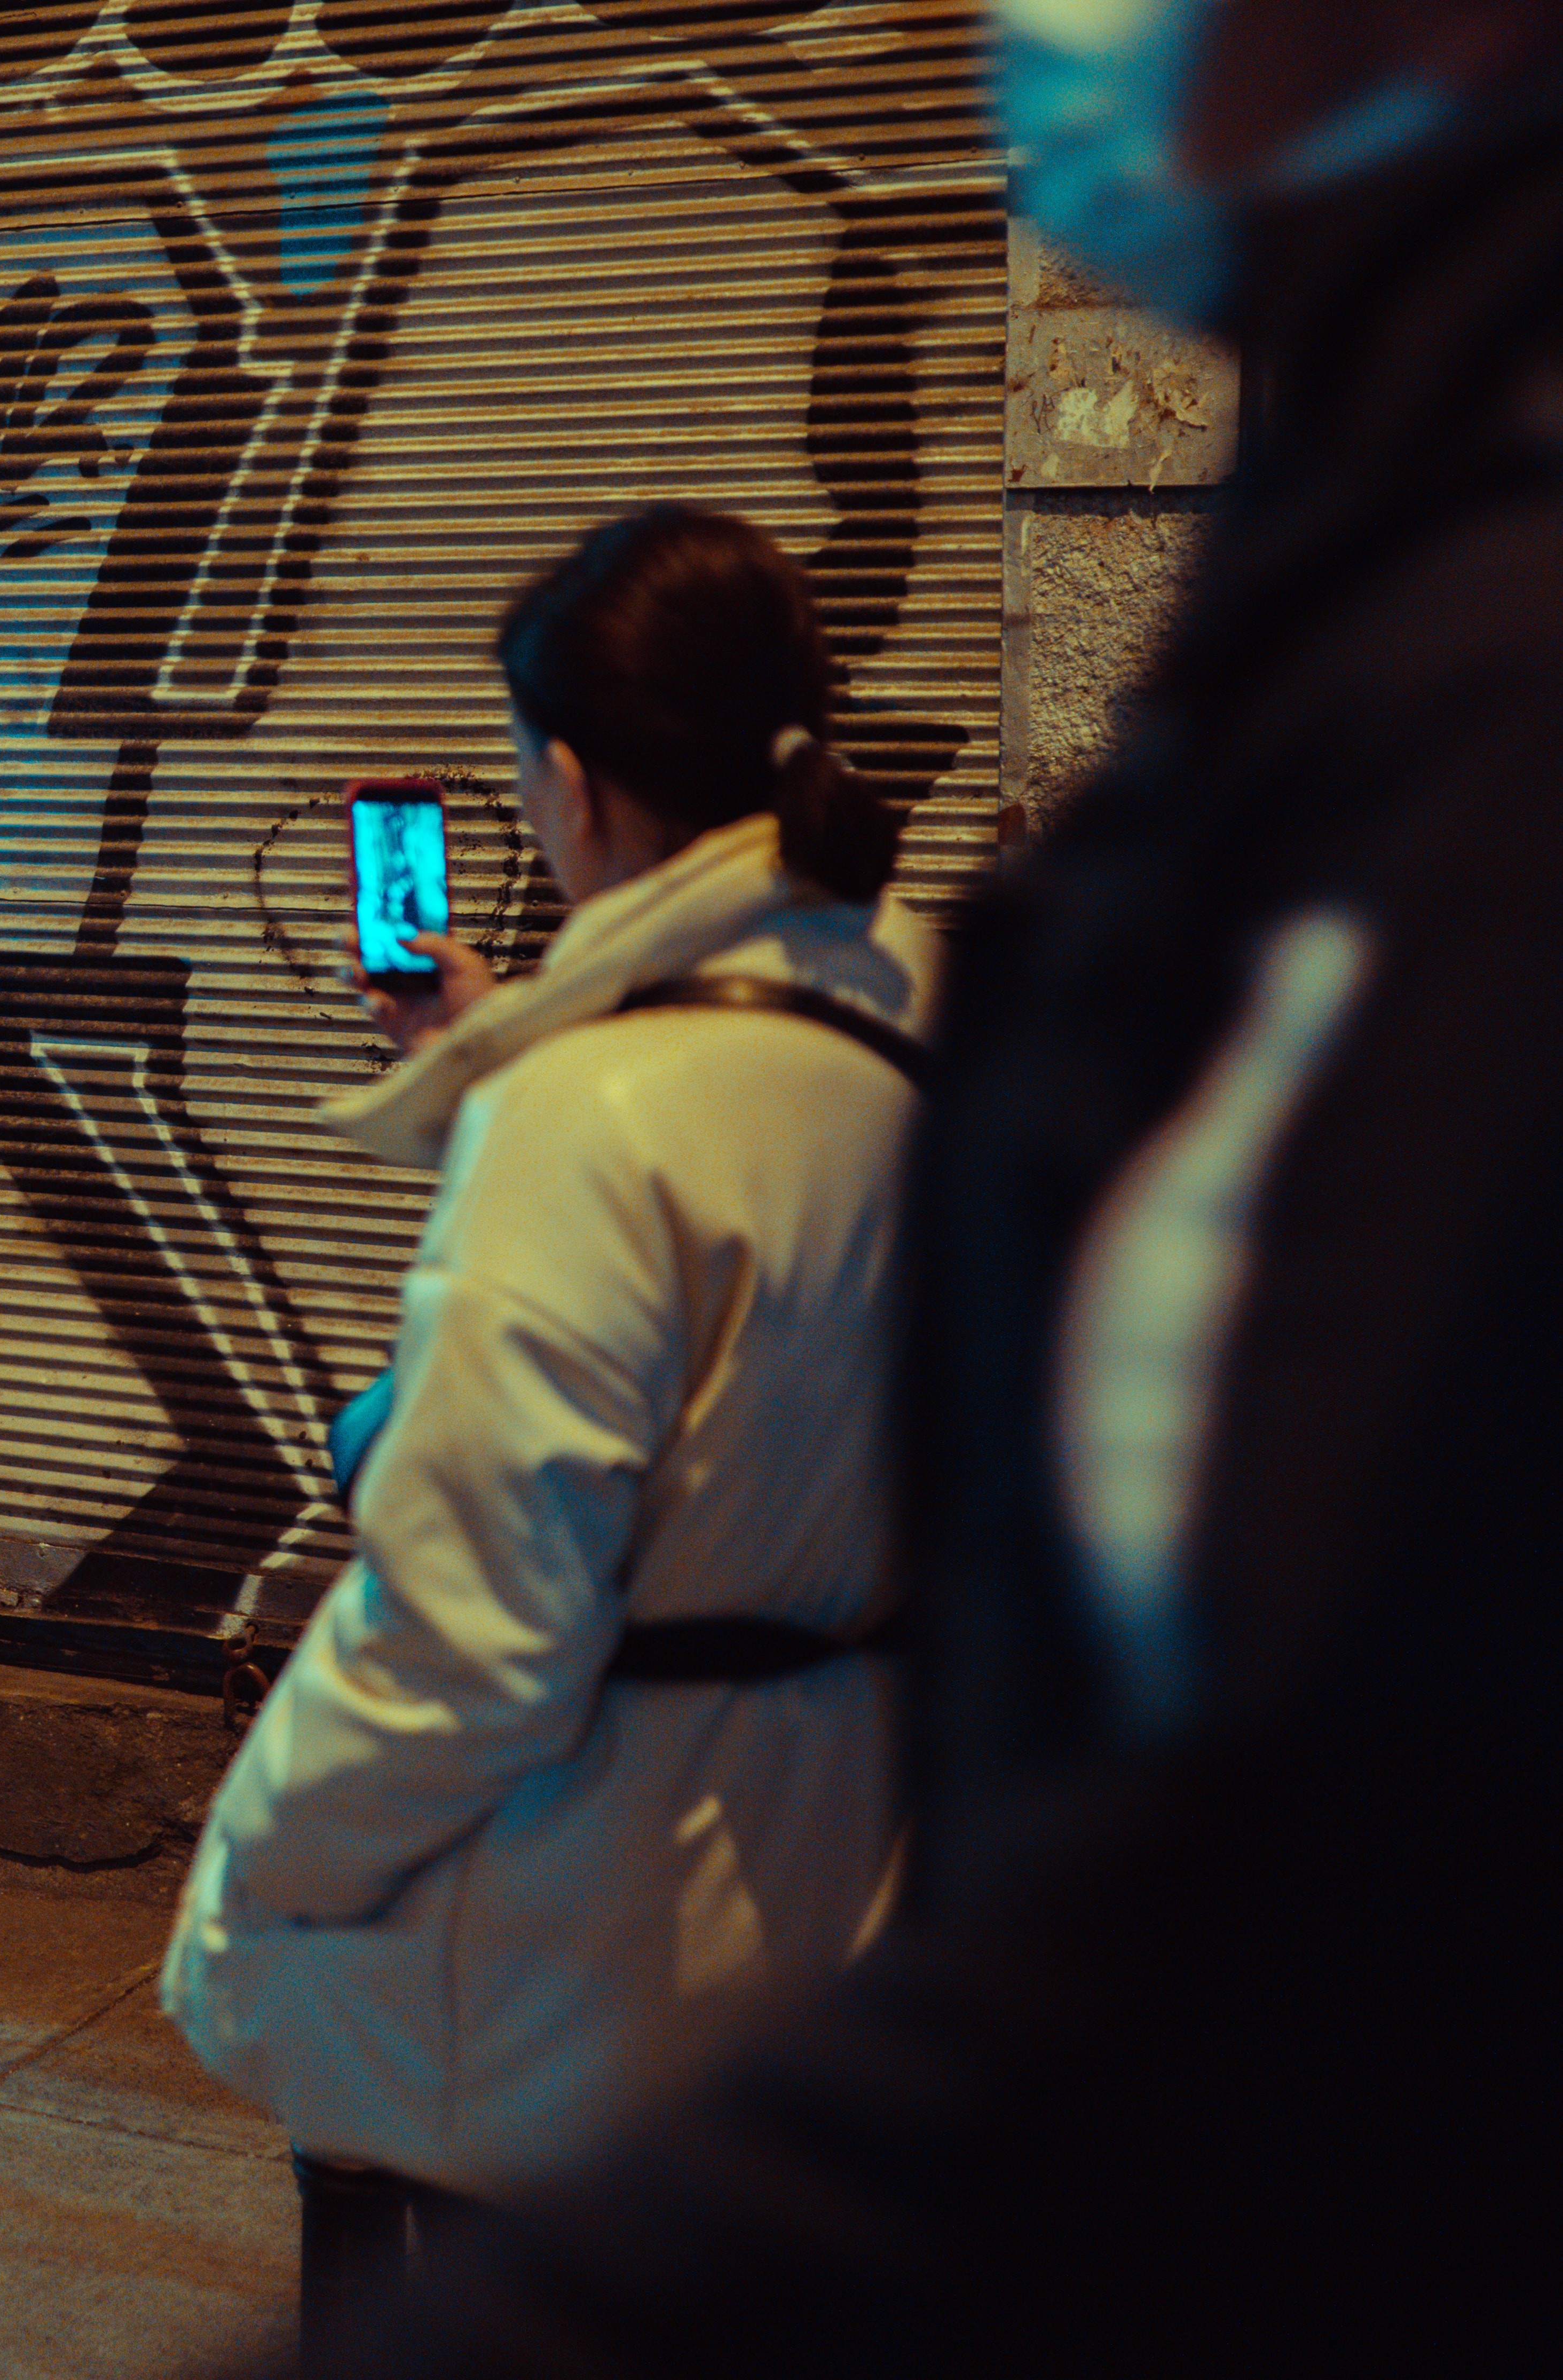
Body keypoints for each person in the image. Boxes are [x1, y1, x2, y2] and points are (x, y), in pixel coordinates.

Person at [322, 6, 1563, 2373]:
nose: (1039, 43)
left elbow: (1276, 1896)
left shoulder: (1461, 692)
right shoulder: (1298, 627)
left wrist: (263, 1918)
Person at [163, 505, 932, 2366]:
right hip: (824, 1856)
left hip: (580, 1918)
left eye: (517, 774)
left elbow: (464, 1644)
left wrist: (258, 1874)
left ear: (572, 782)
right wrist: (507, 1041)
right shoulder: (894, 1001)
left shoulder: (579, 1123)